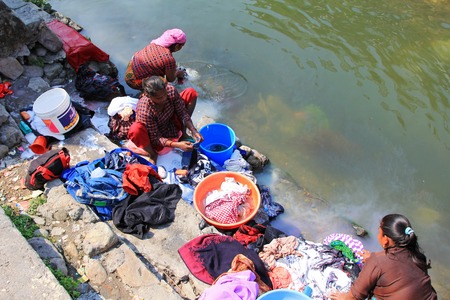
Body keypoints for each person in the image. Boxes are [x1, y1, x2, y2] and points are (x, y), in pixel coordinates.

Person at [329, 214, 437, 300]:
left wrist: (342, 297)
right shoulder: (419, 257)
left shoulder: (377, 260)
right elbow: (397, 270)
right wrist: (370, 260)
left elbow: (355, 296)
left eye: (379, 230)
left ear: (385, 240)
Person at [125, 76, 203, 164]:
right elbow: (155, 138)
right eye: (159, 98)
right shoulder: (145, 109)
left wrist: (193, 130)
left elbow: (182, 112)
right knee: (135, 129)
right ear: (148, 95)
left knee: (190, 93)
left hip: (170, 122)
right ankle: (152, 154)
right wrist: (177, 145)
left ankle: (183, 133)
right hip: (155, 133)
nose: (164, 99)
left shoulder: (170, 90)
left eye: (164, 94)